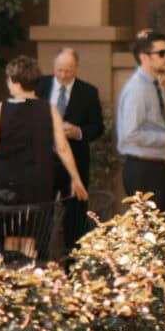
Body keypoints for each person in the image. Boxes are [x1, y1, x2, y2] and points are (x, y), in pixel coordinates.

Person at [0, 55, 87, 260]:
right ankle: (31, 278)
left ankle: (14, 280)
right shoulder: (48, 109)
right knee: (32, 234)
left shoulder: (1, 108)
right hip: (39, 180)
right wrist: (76, 177)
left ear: (15, 82)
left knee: (11, 234)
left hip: (8, 182)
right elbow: (62, 147)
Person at [116, 31, 165, 209]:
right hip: (143, 170)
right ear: (144, 57)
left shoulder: (154, 85)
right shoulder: (137, 89)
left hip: (160, 168)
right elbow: (129, 134)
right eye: (161, 53)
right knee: (150, 233)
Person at [44, 47, 105, 244]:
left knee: (75, 222)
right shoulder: (40, 87)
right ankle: (40, 267)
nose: (63, 75)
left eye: (68, 70)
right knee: (42, 218)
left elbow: (97, 127)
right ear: (54, 66)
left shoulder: (88, 92)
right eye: (59, 70)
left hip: (75, 165)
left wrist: (78, 132)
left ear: (77, 68)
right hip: (45, 162)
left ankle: (73, 269)